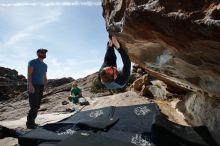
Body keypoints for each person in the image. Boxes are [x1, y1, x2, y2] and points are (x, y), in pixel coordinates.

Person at [26, 48, 48, 129]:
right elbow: (29, 74)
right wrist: (30, 85)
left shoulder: (45, 65)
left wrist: (46, 85)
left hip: (41, 86)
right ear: (37, 53)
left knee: (37, 106)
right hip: (34, 85)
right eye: (42, 52)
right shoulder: (33, 62)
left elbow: (44, 76)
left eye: (45, 53)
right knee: (33, 105)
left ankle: (33, 122)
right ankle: (29, 124)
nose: (43, 54)